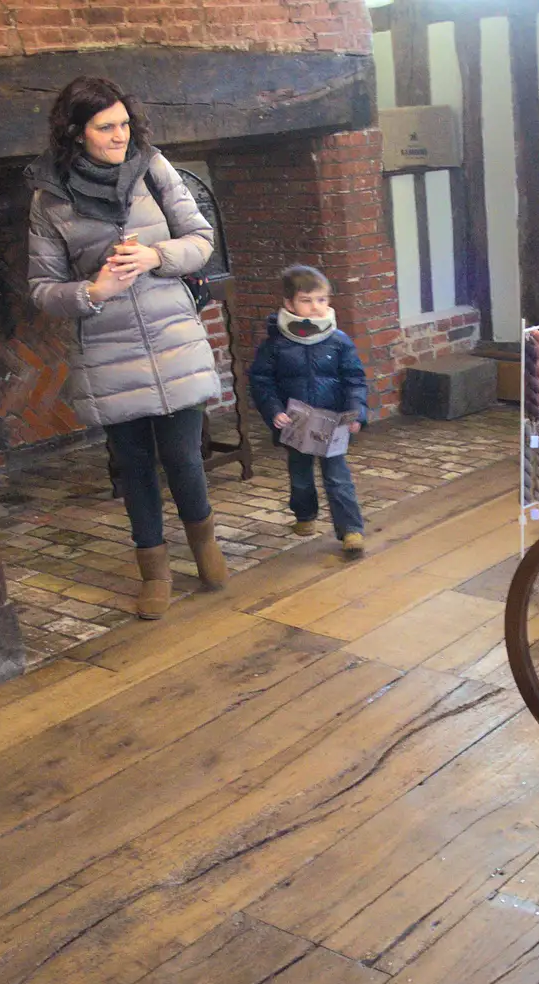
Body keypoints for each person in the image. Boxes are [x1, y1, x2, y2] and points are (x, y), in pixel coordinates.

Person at [25, 76, 228, 621]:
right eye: (106, 127)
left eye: (124, 124)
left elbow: (201, 241)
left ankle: (205, 544)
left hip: (172, 336)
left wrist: (155, 257)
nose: (120, 136)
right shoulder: (50, 199)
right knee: (133, 464)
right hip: (107, 348)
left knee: (184, 455)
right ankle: (154, 571)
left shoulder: (153, 170)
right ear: (77, 133)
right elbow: (42, 291)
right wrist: (93, 291)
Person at [247, 265, 369, 558]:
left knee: (338, 477)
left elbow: (355, 378)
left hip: (333, 420)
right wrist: (274, 411)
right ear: (289, 304)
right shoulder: (275, 345)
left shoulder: (338, 340)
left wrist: (356, 411)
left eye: (322, 300)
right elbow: (262, 382)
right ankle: (304, 514)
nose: (316, 307)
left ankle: (351, 530)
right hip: (295, 421)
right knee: (300, 476)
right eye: (306, 300)